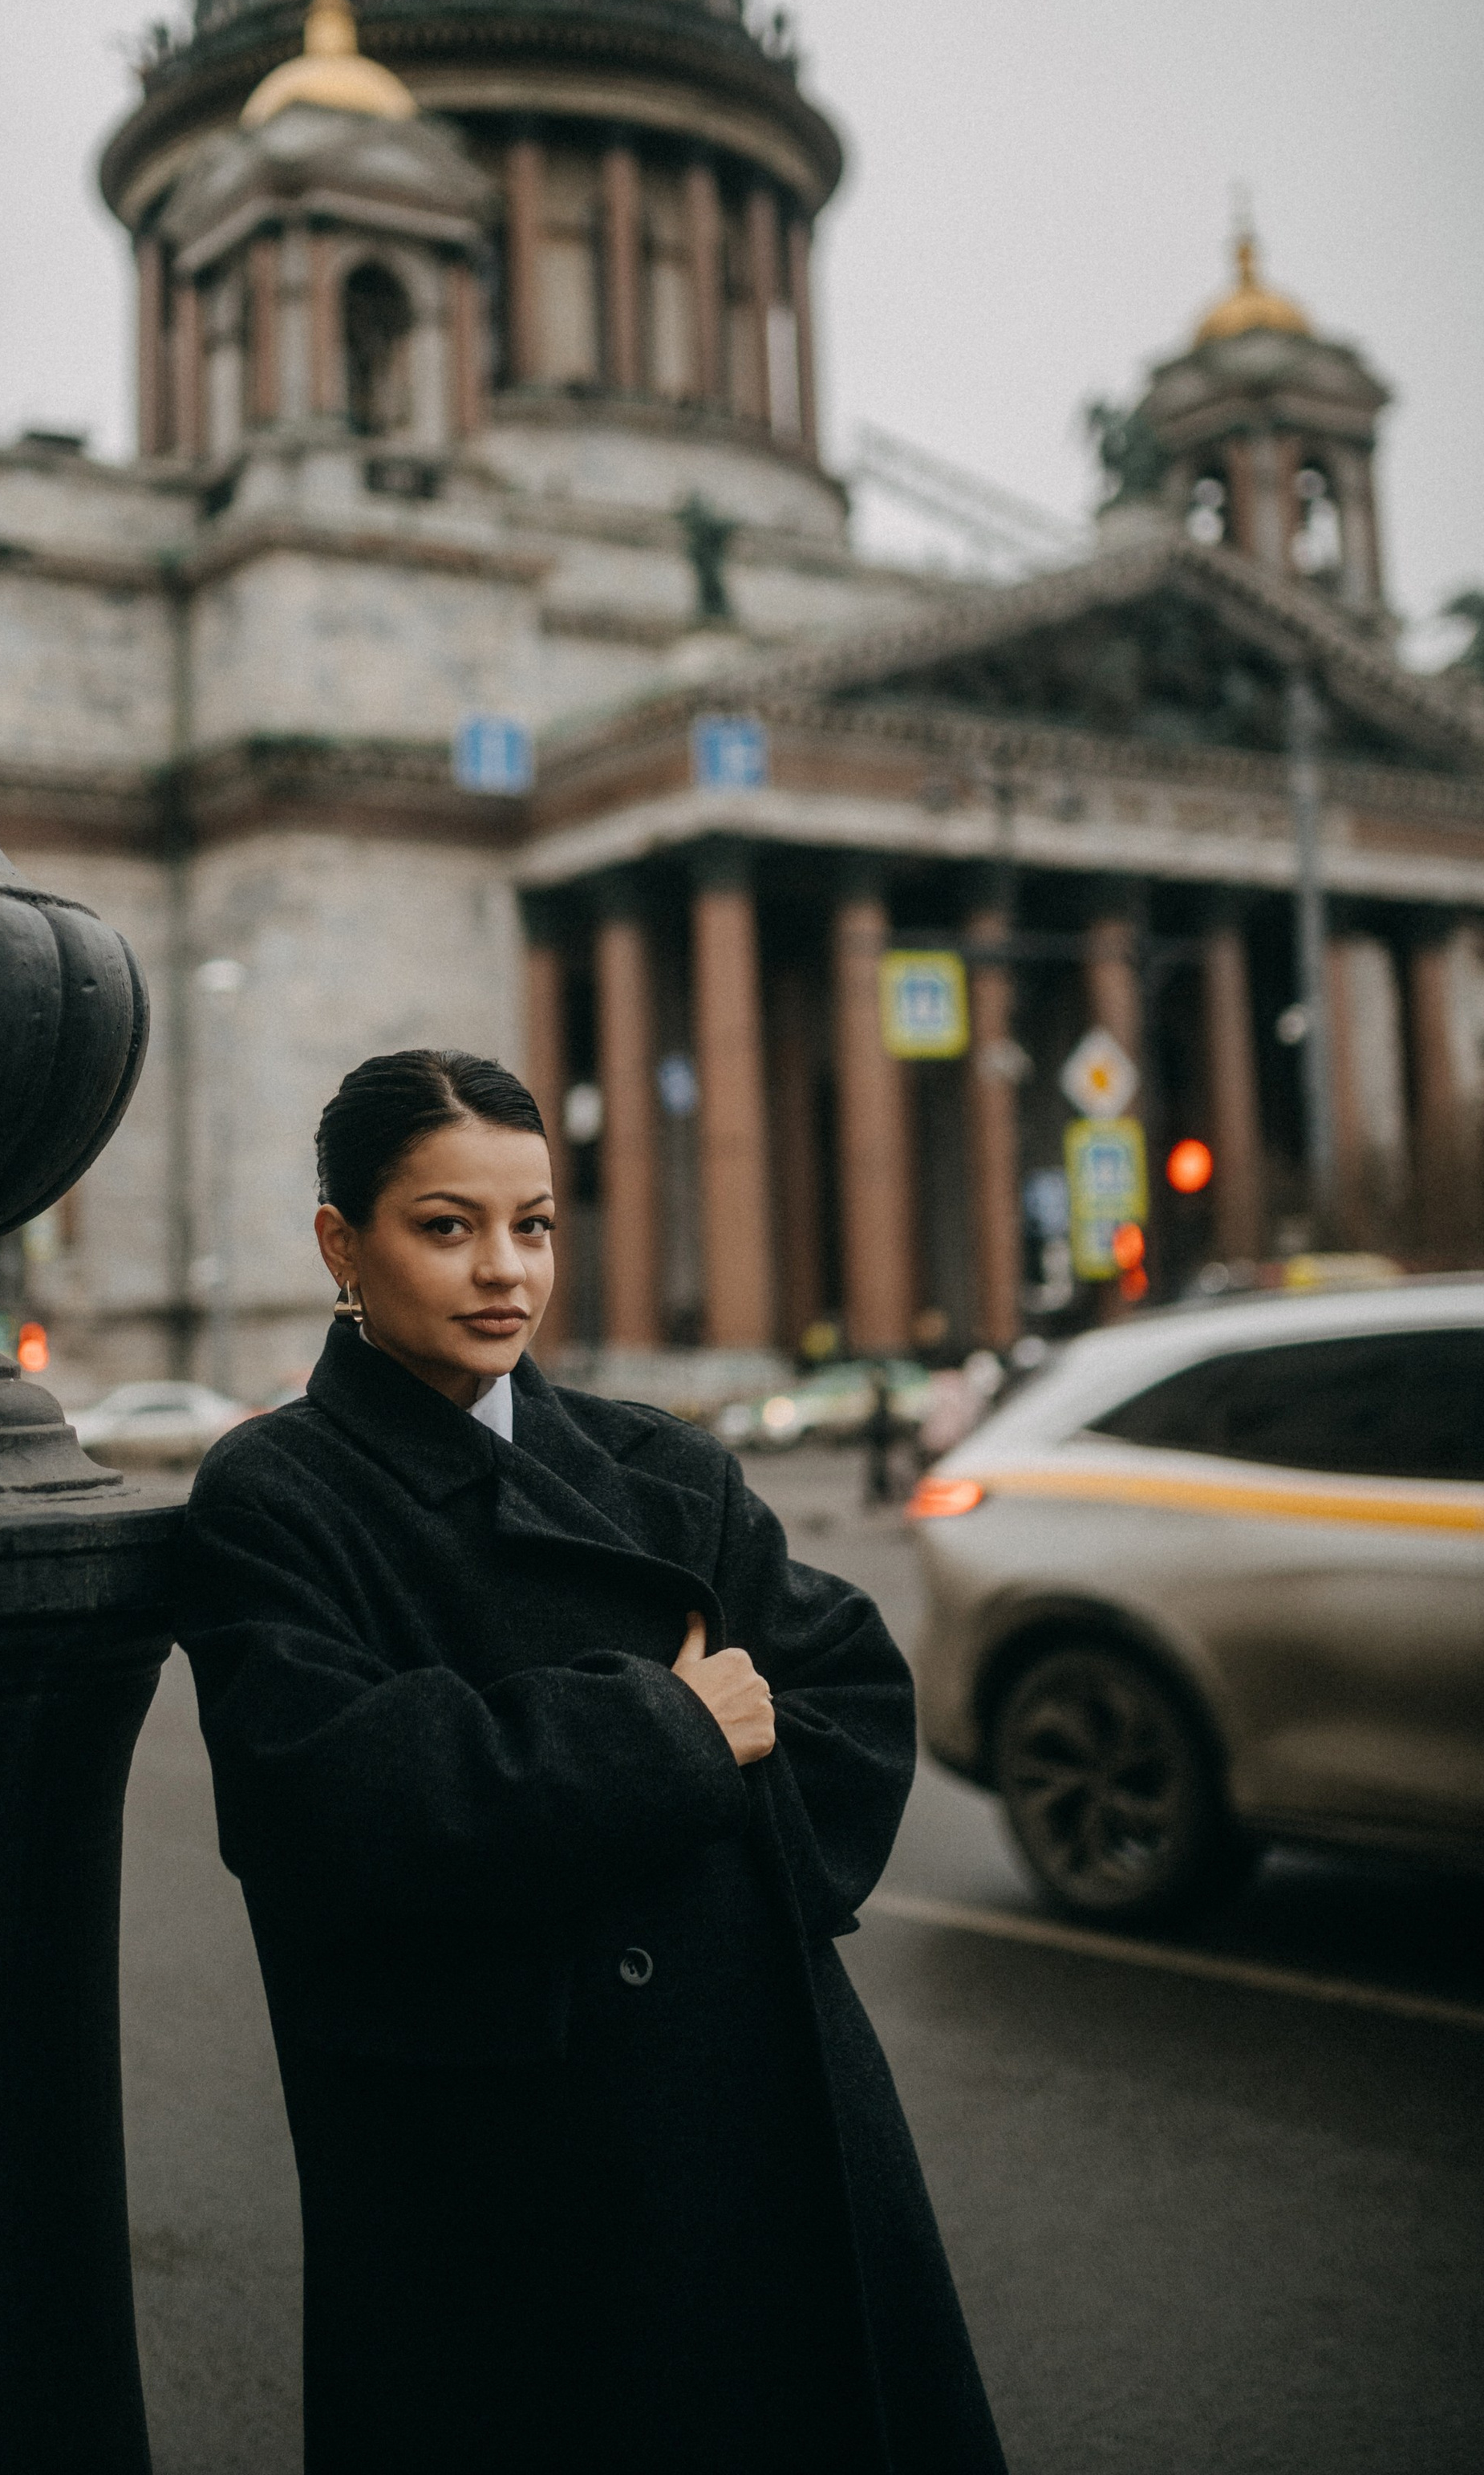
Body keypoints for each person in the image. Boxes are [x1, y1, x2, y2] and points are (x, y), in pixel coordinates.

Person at [178, 1049, 1007, 2475]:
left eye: (537, 1225)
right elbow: (340, 1797)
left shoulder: (659, 1467)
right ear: (342, 1244)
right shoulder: (278, 1493)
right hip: (494, 2155)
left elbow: (851, 1690)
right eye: (447, 1227)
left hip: (764, 2111)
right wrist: (672, 1735)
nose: (505, 1270)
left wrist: (713, 1861)